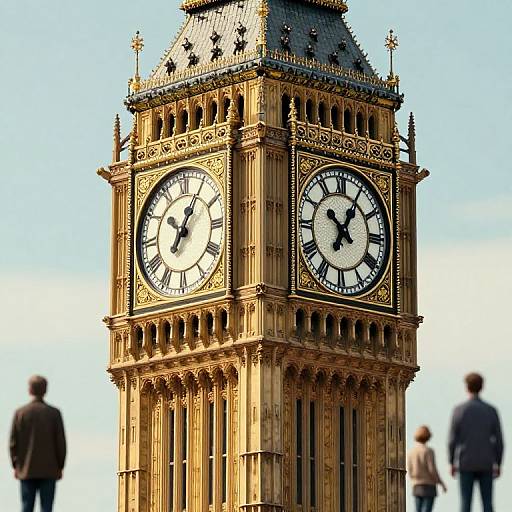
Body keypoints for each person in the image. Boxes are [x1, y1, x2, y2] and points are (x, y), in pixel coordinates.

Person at [9, 376, 66, 512]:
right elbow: (61, 443)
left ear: (29, 390)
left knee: (26, 506)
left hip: (26, 469)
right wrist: (60, 465)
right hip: (50, 469)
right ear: (45, 390)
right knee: (47, 508)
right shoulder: (54, 413)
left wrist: (16, 465)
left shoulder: (20, 413)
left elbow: (13, 443)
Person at [449, 372, 504, 512]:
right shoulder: (491, 410)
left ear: (466, 387)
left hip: (465, 461)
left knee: (465, 503)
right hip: (486, 461)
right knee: (487, 504)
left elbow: (452, 439)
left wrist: (451, 462)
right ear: (482, 387)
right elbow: (499, 440)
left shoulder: (459, 410)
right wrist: (498, 462)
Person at [408, 425, 447, 512]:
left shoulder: (412, 452)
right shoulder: (429, 451)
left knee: (417, 510)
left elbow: (410, 470)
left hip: (416, 485)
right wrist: (441, 483)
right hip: (428, 486)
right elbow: (432, 470)